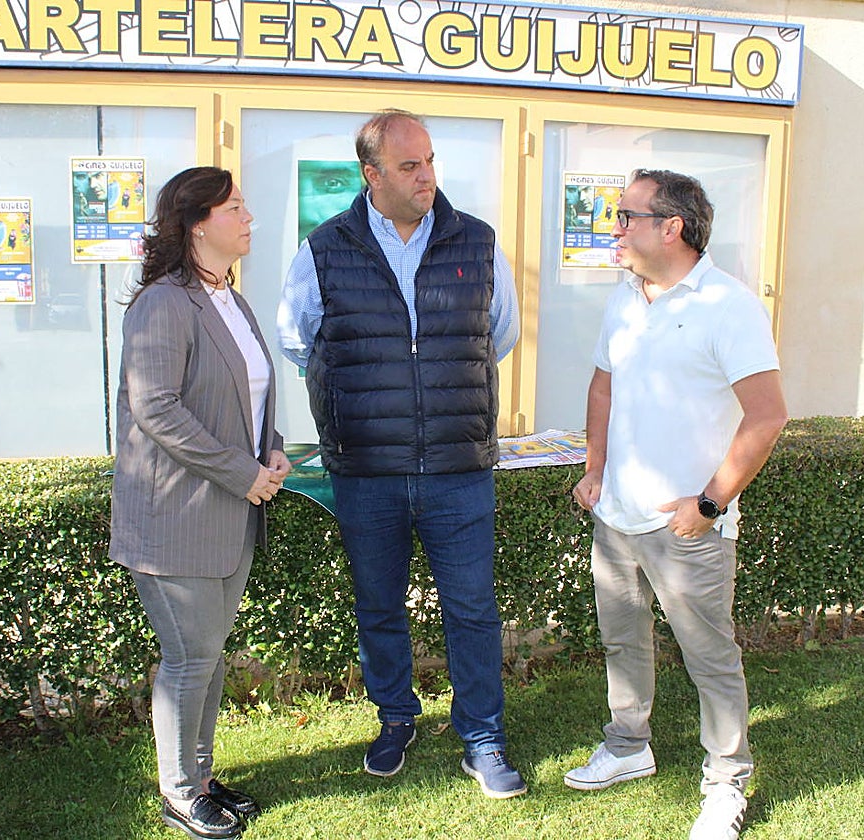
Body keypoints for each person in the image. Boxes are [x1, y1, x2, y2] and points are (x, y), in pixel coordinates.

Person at [277, 109, 524, 799]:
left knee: (472, 608)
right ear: (372, 174)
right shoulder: (323, 249)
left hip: (458, 468)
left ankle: (483, 736)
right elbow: (298, 340)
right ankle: (395, 718)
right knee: (379, 605)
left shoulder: (476, 241)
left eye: (431, 161)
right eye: (410, 166)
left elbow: (496, 334)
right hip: (368, 471)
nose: (427, 177)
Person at [566, 169, 788, 840]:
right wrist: (595, 468)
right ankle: (629, 746)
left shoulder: (730, 305)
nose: (617, 228)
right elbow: (603, 385)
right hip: (617, 518)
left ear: (673, 228)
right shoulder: (627, 297)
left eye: (628, 216)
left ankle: (726, 785)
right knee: (621, 640)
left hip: (686, 529)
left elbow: (768, 415)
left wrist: (711, 504)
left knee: (709, 657)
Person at [111, 166, 291, 840]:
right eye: (236, 208)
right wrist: (242, 471)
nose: (249, 219)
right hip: (177, 515)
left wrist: (270, 448)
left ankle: (203, 779)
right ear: (197, 223)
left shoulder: (231, 300)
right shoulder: (164, 302)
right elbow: (154, 406)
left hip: (230, 509)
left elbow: (248, 398)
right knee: (190, 658)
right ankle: (179, 793)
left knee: (208, 656)